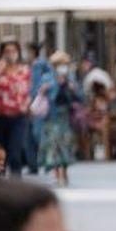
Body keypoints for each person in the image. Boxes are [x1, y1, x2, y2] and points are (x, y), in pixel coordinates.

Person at [0, 39, 32, 176]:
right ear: (2, 53)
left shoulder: (24, 70)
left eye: (14, 51)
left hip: (18, 118)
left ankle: (15, 189)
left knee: (15, 154)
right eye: (7, 51)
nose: (11, 54)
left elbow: (29, 92)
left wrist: (28, 106)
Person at [40, 51, 84, 186]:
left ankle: (64, 173)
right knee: (53, 145)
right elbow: (49, 96)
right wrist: (56, 85)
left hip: (66, 117)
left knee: (65, 145)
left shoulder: (71, 78)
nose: (62, 66)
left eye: (65, 64)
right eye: (59, 64)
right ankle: (57, 174)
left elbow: (80, 97)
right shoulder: (48, 78)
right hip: (52, 116)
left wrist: (72, 88)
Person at [27, 42, 53, 175]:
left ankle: (39, 163)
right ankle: (34, 164)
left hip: (37, 104)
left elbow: (37, 85)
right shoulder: (31, 66)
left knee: (37, 134)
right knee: (33, 135)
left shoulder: (40, 65)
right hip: (32, 103)